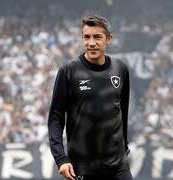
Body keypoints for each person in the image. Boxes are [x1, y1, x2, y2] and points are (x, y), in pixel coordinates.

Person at [48, 15, 132, 180]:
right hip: (83, 169)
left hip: (118, 168)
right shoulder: (68, 71)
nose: (91, 43)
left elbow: (123, 112)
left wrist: (125, 146)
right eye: (87, 37)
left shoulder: (121, 69)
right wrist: (61, 159)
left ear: (108, 39)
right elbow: (55, 119)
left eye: (97, 37)